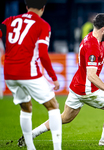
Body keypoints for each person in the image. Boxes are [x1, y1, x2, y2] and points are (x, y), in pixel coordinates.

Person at [17, 13, 104, 147]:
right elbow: (91, 76)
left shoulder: (94, 37)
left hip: (76, 86)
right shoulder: (92, 46)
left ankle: (31, 134)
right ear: (103, 29)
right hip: (87, 89)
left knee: (65, 117)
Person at [0, 0, 62, 149]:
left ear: (27, 7)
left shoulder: (9, 20)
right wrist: (54, 78)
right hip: (28, 72)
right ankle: (57, 148)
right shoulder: (42, 25)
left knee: (26, 107)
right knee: (53, 106)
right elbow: (43, 55)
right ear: (43, 8)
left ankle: (30, 146)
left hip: (9, 73)